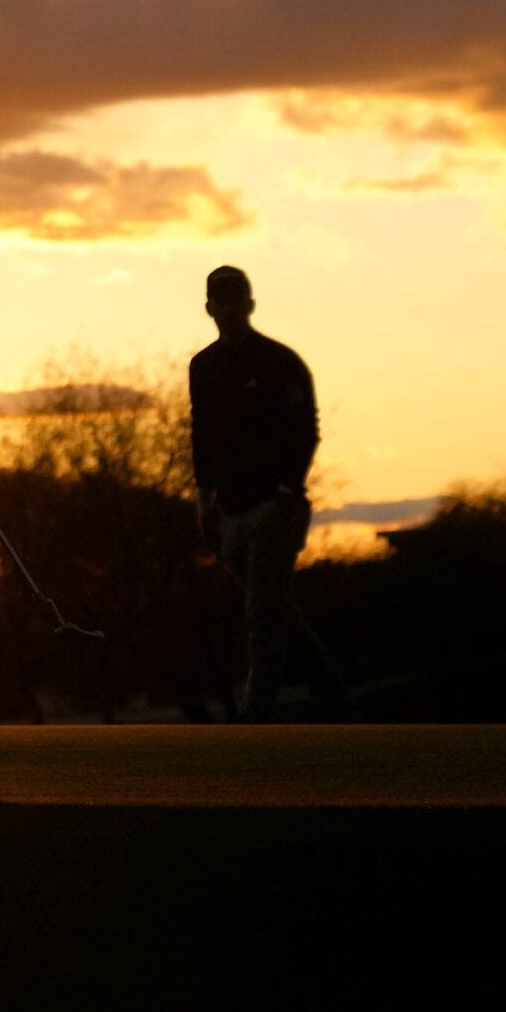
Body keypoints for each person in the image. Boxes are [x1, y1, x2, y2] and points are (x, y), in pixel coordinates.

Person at [189, 267, 352, 722]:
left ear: (250, 304)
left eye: (236, 300)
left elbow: (306, 430)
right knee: (276, 610)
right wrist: (205, 500)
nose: (229, 309)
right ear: (210, 308)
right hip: (231, 510)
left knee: (263, 614)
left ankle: (254, 718)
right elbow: (201, 434)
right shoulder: (203, 366)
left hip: (274, 508)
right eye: (221, 301)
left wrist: (287, 488)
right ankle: (339, 705)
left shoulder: (279, 361)